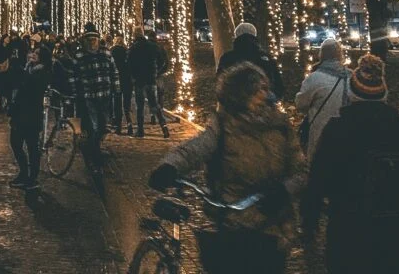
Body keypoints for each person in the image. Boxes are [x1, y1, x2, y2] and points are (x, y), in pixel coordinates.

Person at [149, 62, 304, 274]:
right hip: (234, 224)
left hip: (273, 224)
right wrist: (170, 166)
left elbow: (301, 170)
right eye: (257, 89)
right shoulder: (223, 126)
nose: (264, 94)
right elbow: (197, 148)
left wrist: (284, 191)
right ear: (241, 95)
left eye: (265, 88)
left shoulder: (281, 126)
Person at [301, 53, 399, 274]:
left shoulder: (337, 130)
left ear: (351, 94)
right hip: (395, 229)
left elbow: (318, 179)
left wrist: (309, 222)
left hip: (348, 227)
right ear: (384, 94)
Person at [71, 23, 120, 170]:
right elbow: (73, 75)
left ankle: (94, 148)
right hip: (89, 95)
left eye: (94, 40)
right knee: (93, 126)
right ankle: (94, 156)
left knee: (103, 125)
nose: (92, 43)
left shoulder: (106, 53)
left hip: (105, 94)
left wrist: (116, 88)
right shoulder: (79, 55)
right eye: (89, 40)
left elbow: (114, 71)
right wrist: (75, 91)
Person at [294, 38, 349, 163]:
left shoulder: (314, 78)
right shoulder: (350, 77)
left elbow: (300, 104)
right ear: (340, 55)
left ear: (322, 55)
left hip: (320, 134)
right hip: (346, 135)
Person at [9, 43, 52, 189]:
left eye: (37, 54)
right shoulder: (30, 69)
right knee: (18, 143)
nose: (32, 54)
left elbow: (29, 88)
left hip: (30, 114)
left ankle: (30, 177)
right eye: (33, 52)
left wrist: (21, 73)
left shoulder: (41, 72)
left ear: (42, 59)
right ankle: (26, 174)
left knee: (30, 146)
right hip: (23, 113)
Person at [216, 21, 284, 98]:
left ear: (236, 36)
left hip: (234, 99)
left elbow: (220, 81)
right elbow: (278, 84)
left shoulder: (227, 57)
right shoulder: (265, 57)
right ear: (254, 35)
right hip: (262, 98)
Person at [129, 27, 168, 137]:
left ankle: (140, 130)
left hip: (139, 81)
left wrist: (133, 76)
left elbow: (130, 64)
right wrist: (156, 71)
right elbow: (161, 60)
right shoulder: (152, 46)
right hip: (151, 79)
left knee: (140, 106)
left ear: (134, 35)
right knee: (154, 104)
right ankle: (164, 126)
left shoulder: (133, 48)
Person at [110, 33, 133, 135]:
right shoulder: (127, 51)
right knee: (127, 105)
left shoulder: (112, 51)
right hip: (127, 80)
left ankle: (118, 127)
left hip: (117, 80)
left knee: (117, 104)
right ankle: (129, 125)